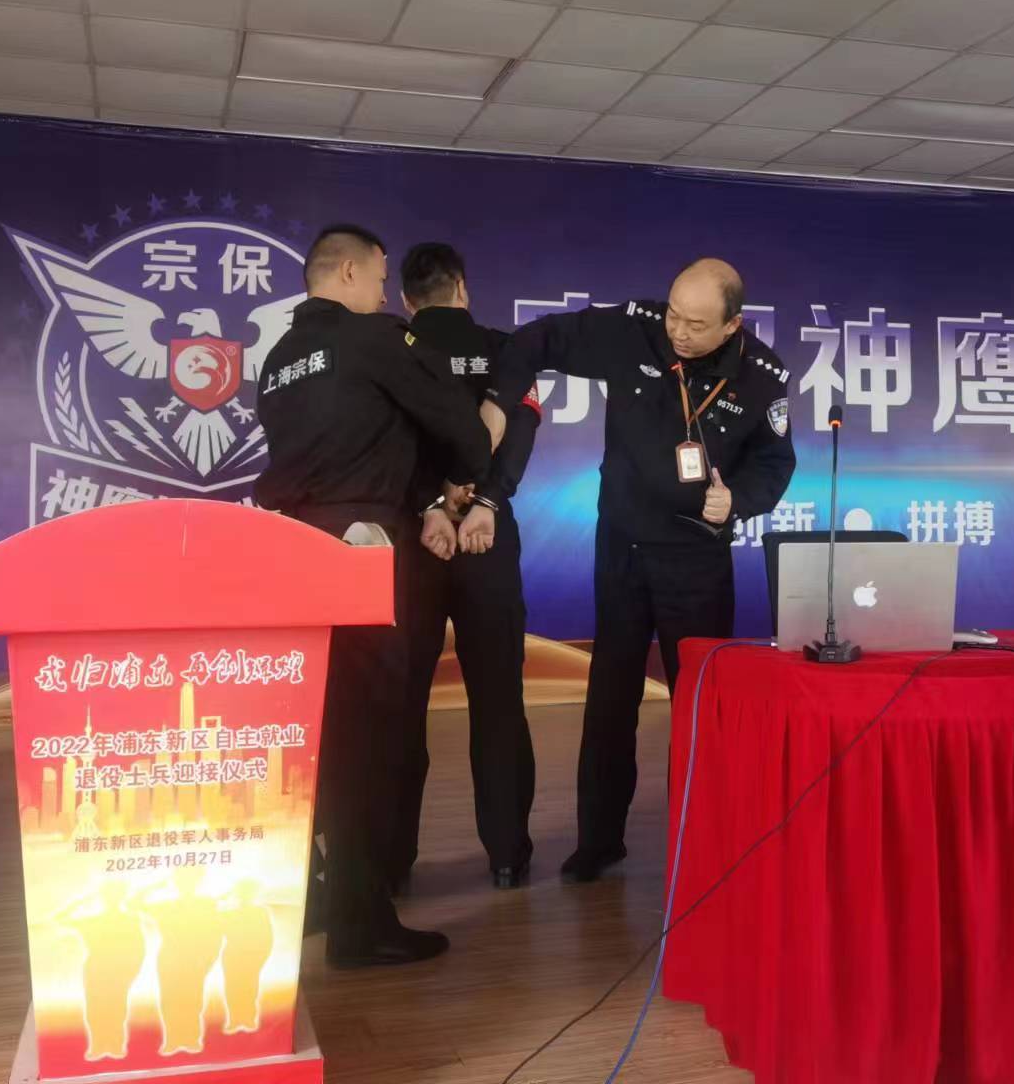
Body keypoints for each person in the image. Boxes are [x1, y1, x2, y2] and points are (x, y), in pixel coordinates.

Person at [483, 258, 796, 882]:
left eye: (696, 325)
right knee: (609, 699)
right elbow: (541, 339)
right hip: (622, 549)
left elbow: (774, 461)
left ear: (732, 325)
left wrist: (737, 500)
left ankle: (702, 841)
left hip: (695, 559)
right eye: (675, 314)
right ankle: (599, 841)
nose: (678, 330)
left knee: (700, 706)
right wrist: (497, 399)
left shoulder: (762, 377)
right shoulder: (635, 329)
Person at [256, 224, 493, 966]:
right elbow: (460, 430)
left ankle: (315, 894)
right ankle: (360, 925)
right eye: (382, 279)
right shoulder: (374, 339)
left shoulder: (279, 359)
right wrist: (459, 472)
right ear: (352, 273)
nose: (388, 294)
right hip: (363, 550)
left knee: (317, 731)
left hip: (290, 552)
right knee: (370, 734)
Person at [395, 242, 542, 891]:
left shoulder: (391, 348)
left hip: (416, 540)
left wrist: (433, 502)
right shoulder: (507, 350)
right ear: (462, 287)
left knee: (400, 705)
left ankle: (389, 862)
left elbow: (390, 441)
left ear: (406, 298)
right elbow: (521, 431)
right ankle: (507, 856)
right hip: (488, 536)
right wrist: (485, 501)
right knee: (499, 698)